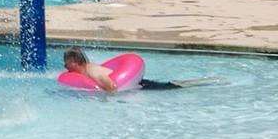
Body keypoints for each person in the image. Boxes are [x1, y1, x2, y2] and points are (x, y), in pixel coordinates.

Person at [63, 47, 217, 93]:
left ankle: (204, 82)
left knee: (170, 87)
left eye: (66, 62)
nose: (65, 66)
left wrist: (109, 103)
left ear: (73, 62)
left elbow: (112, 86)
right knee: (166, 86)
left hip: (136, 84)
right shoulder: (86, 71)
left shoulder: (92, 71)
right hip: (135, 84)